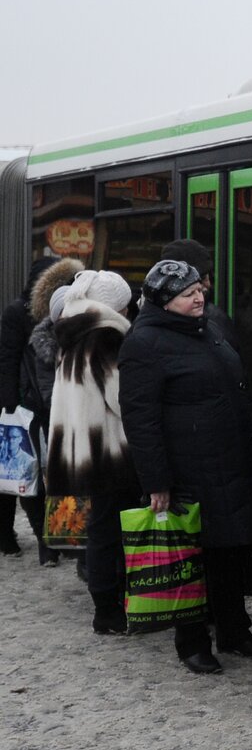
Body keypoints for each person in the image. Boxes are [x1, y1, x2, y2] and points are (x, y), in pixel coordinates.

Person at [119, 260, 252, 675]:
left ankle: (234, 630)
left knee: (229, 551)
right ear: (165, 301)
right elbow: (140, 419)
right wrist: (156, 481)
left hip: (228, 462)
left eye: (198, 290)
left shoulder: (209, 328)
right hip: (187, 469)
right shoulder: (143, 343)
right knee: (190, 557)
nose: (198, 296)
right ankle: (191, 641)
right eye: (187, 294)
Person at [44, 270, 140, 633]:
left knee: (101, 528)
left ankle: (106, 607)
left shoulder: (74, 332)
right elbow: (121, 399)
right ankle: (109, 610)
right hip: (109, 448)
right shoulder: (105, 337)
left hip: (81, 444)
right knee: (111, 531)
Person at [16, 257, 86, 566]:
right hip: (52, 421)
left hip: (69, 420)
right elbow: (47, 391)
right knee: (51, 481)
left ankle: (71, 540)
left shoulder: (84, 337)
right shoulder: (44, 341)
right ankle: (53, 544)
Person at [0, 257, 61, 556]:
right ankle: (43, 540)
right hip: (26, 404)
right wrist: (9, 405)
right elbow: (8, 357)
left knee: (40, 471)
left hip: (52, 400)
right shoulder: (17, 311)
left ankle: (51, 537)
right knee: (25, 472)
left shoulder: (64, 310)